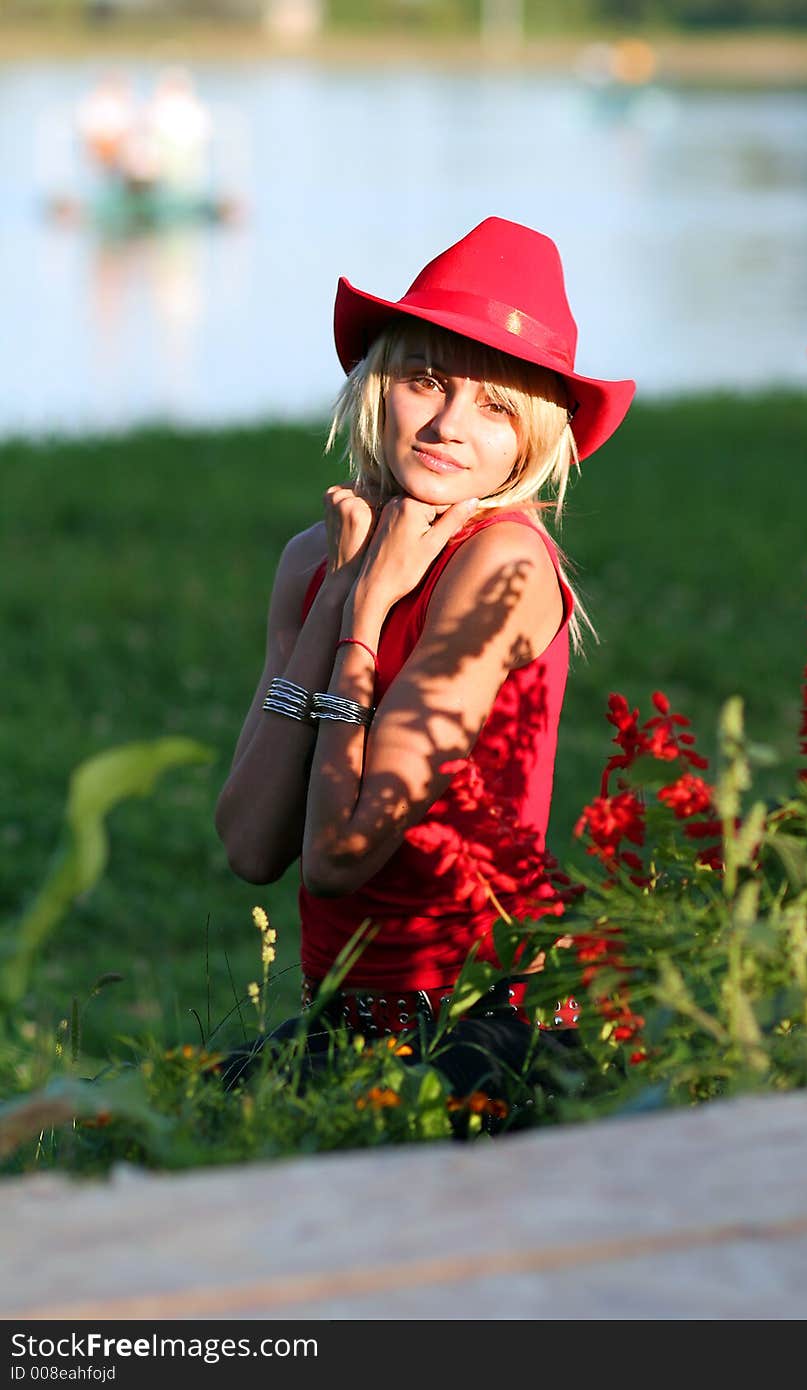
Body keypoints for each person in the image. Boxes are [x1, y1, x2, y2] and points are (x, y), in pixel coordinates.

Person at [214, 216, 635, 1114]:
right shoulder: (314, 560)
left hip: (483, 1022)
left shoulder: (504, 564)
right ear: (377, 386)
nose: (449, 426)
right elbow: (251, 845)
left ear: (535, 434)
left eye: (495, 407)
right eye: (425, 381)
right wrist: (339, 592)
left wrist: (365, 616)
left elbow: (338, 855)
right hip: (344, 1021)